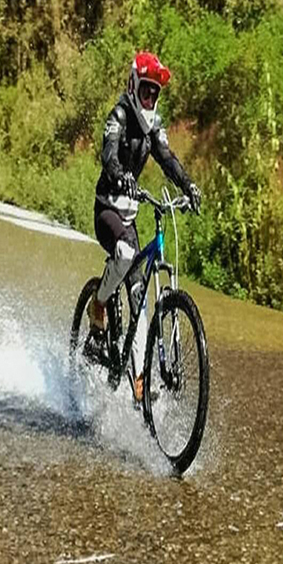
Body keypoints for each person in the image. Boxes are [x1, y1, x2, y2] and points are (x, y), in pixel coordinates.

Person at [86, 51, 201, 402]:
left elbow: (167, 158)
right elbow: (108, 155)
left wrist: (188, 186)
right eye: (145, 90)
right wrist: (120, 176)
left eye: (155, 93)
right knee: (123, 253)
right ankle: (98, 304)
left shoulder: (154, 127)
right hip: (108, 211)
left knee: (139, 297)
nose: (150, 98)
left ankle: (139, 381)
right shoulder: (118, 115)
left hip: (131, 217)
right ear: (134, 86)